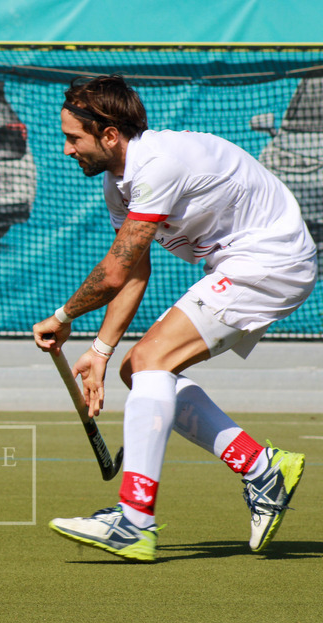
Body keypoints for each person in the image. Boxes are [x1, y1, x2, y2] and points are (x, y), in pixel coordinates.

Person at [33, 75, 317, 562]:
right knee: (137, 367)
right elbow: (134, 271)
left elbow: (114, 270)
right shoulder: (116, 184)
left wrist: (62, 317)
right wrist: (102, 352)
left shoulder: (157, 164)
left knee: (152, 361)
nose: (65, 149)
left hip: (271, 261)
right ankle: (262, 468)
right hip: (243, 263)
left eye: (73, 138)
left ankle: (135, 520)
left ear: (108, 135)